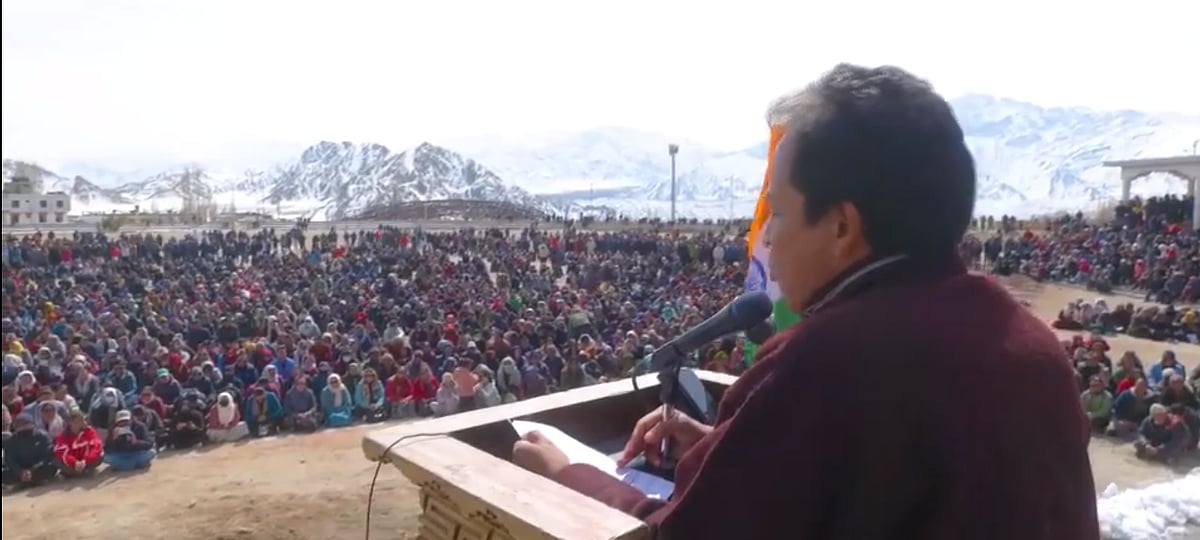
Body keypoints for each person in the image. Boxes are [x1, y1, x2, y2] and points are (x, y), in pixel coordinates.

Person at [511, 64, 1098, 539]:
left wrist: (575, 478)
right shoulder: (1031, 344)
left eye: (780, 212)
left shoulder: (825, 360)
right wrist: (727, 451)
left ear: (843, 227)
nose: (767, 237)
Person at [2, 415, 58, 488]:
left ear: (32, 424)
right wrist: (20, 472)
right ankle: (25, 480)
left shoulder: (42, 435)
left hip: (38, 468)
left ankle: (32, 480)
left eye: (25, 423)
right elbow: (9, 459)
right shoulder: (12, 440)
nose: (23, 426)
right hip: (20, 471)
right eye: (19, 425)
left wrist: (32, 469)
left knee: (51, 467)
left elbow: (47, 456)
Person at [53, 409, 104, 477]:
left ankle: (83, 471)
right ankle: (76, 472)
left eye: (84, 420)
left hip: (86, 460)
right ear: (71, 422)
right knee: (57, 460)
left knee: (100, 456)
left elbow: (96, 445)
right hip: (73, 462)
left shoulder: (89, 431)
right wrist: (75, 462)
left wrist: (85, 460)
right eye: (80, 420)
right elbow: (61, 452)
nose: (84, 423)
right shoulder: (63, 436)